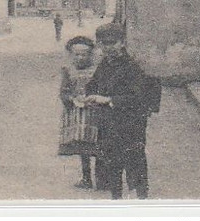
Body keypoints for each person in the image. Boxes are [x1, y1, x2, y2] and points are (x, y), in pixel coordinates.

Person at [81, 22, 160, 199]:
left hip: (131, 124)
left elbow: (139, 97)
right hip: (109, 123)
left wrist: (109, 99)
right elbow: (93, 84)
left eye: (112, 43)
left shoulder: (132, 67)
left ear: (122, 43)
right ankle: (116, 202)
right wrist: (89, 96)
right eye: (103, 43)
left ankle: (142, 201)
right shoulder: (105, 64)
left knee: (135, 162)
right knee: (112, 165)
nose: (108, 47)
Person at [58, 35, 100, 189]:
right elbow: (64, 91)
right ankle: (87, 177)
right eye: (77, 54)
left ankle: (102, 178)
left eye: (84, 54)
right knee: (84, 147)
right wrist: (71, 99)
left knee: (99, 143)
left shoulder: (97, 70)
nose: (80, 57)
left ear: (91, 54)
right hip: (78, 114)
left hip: (96, 111)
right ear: (72, 55)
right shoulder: (68, 70)